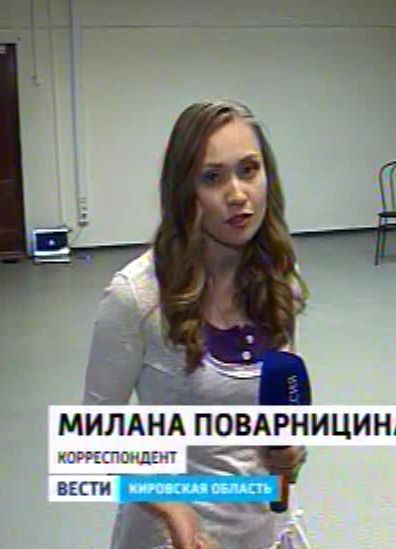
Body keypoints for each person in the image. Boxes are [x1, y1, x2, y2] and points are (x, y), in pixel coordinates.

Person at [83, 100, 310, 548]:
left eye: (249, 170)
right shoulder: (136, 297)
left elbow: (277, 408)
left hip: (264, 532)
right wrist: (169, 506)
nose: (238, 194)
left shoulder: (279, 278)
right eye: (212, 177)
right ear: (183, 191)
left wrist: (290, 451)